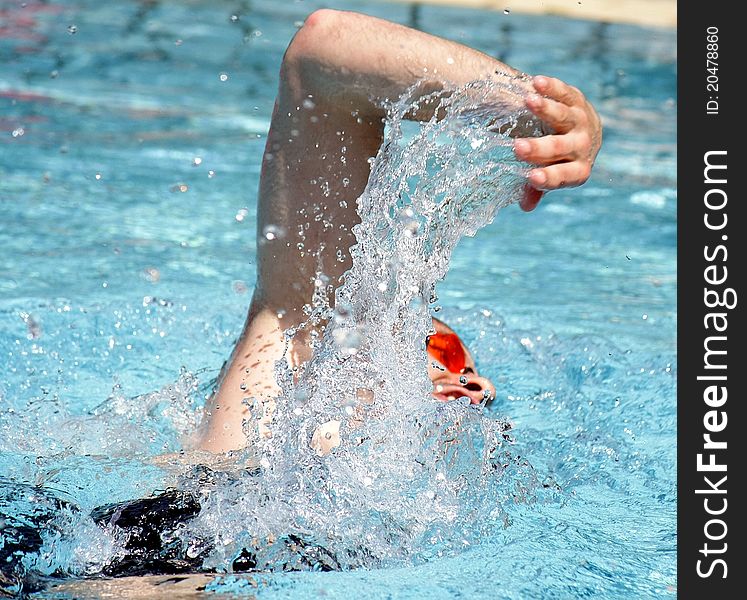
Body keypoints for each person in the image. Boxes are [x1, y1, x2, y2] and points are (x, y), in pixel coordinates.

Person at [194, 9, 602, 454]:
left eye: (452, 359)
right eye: (437, 349)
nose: (464, 380)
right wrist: (539, 115)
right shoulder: (274, 381)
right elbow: (322, 52)